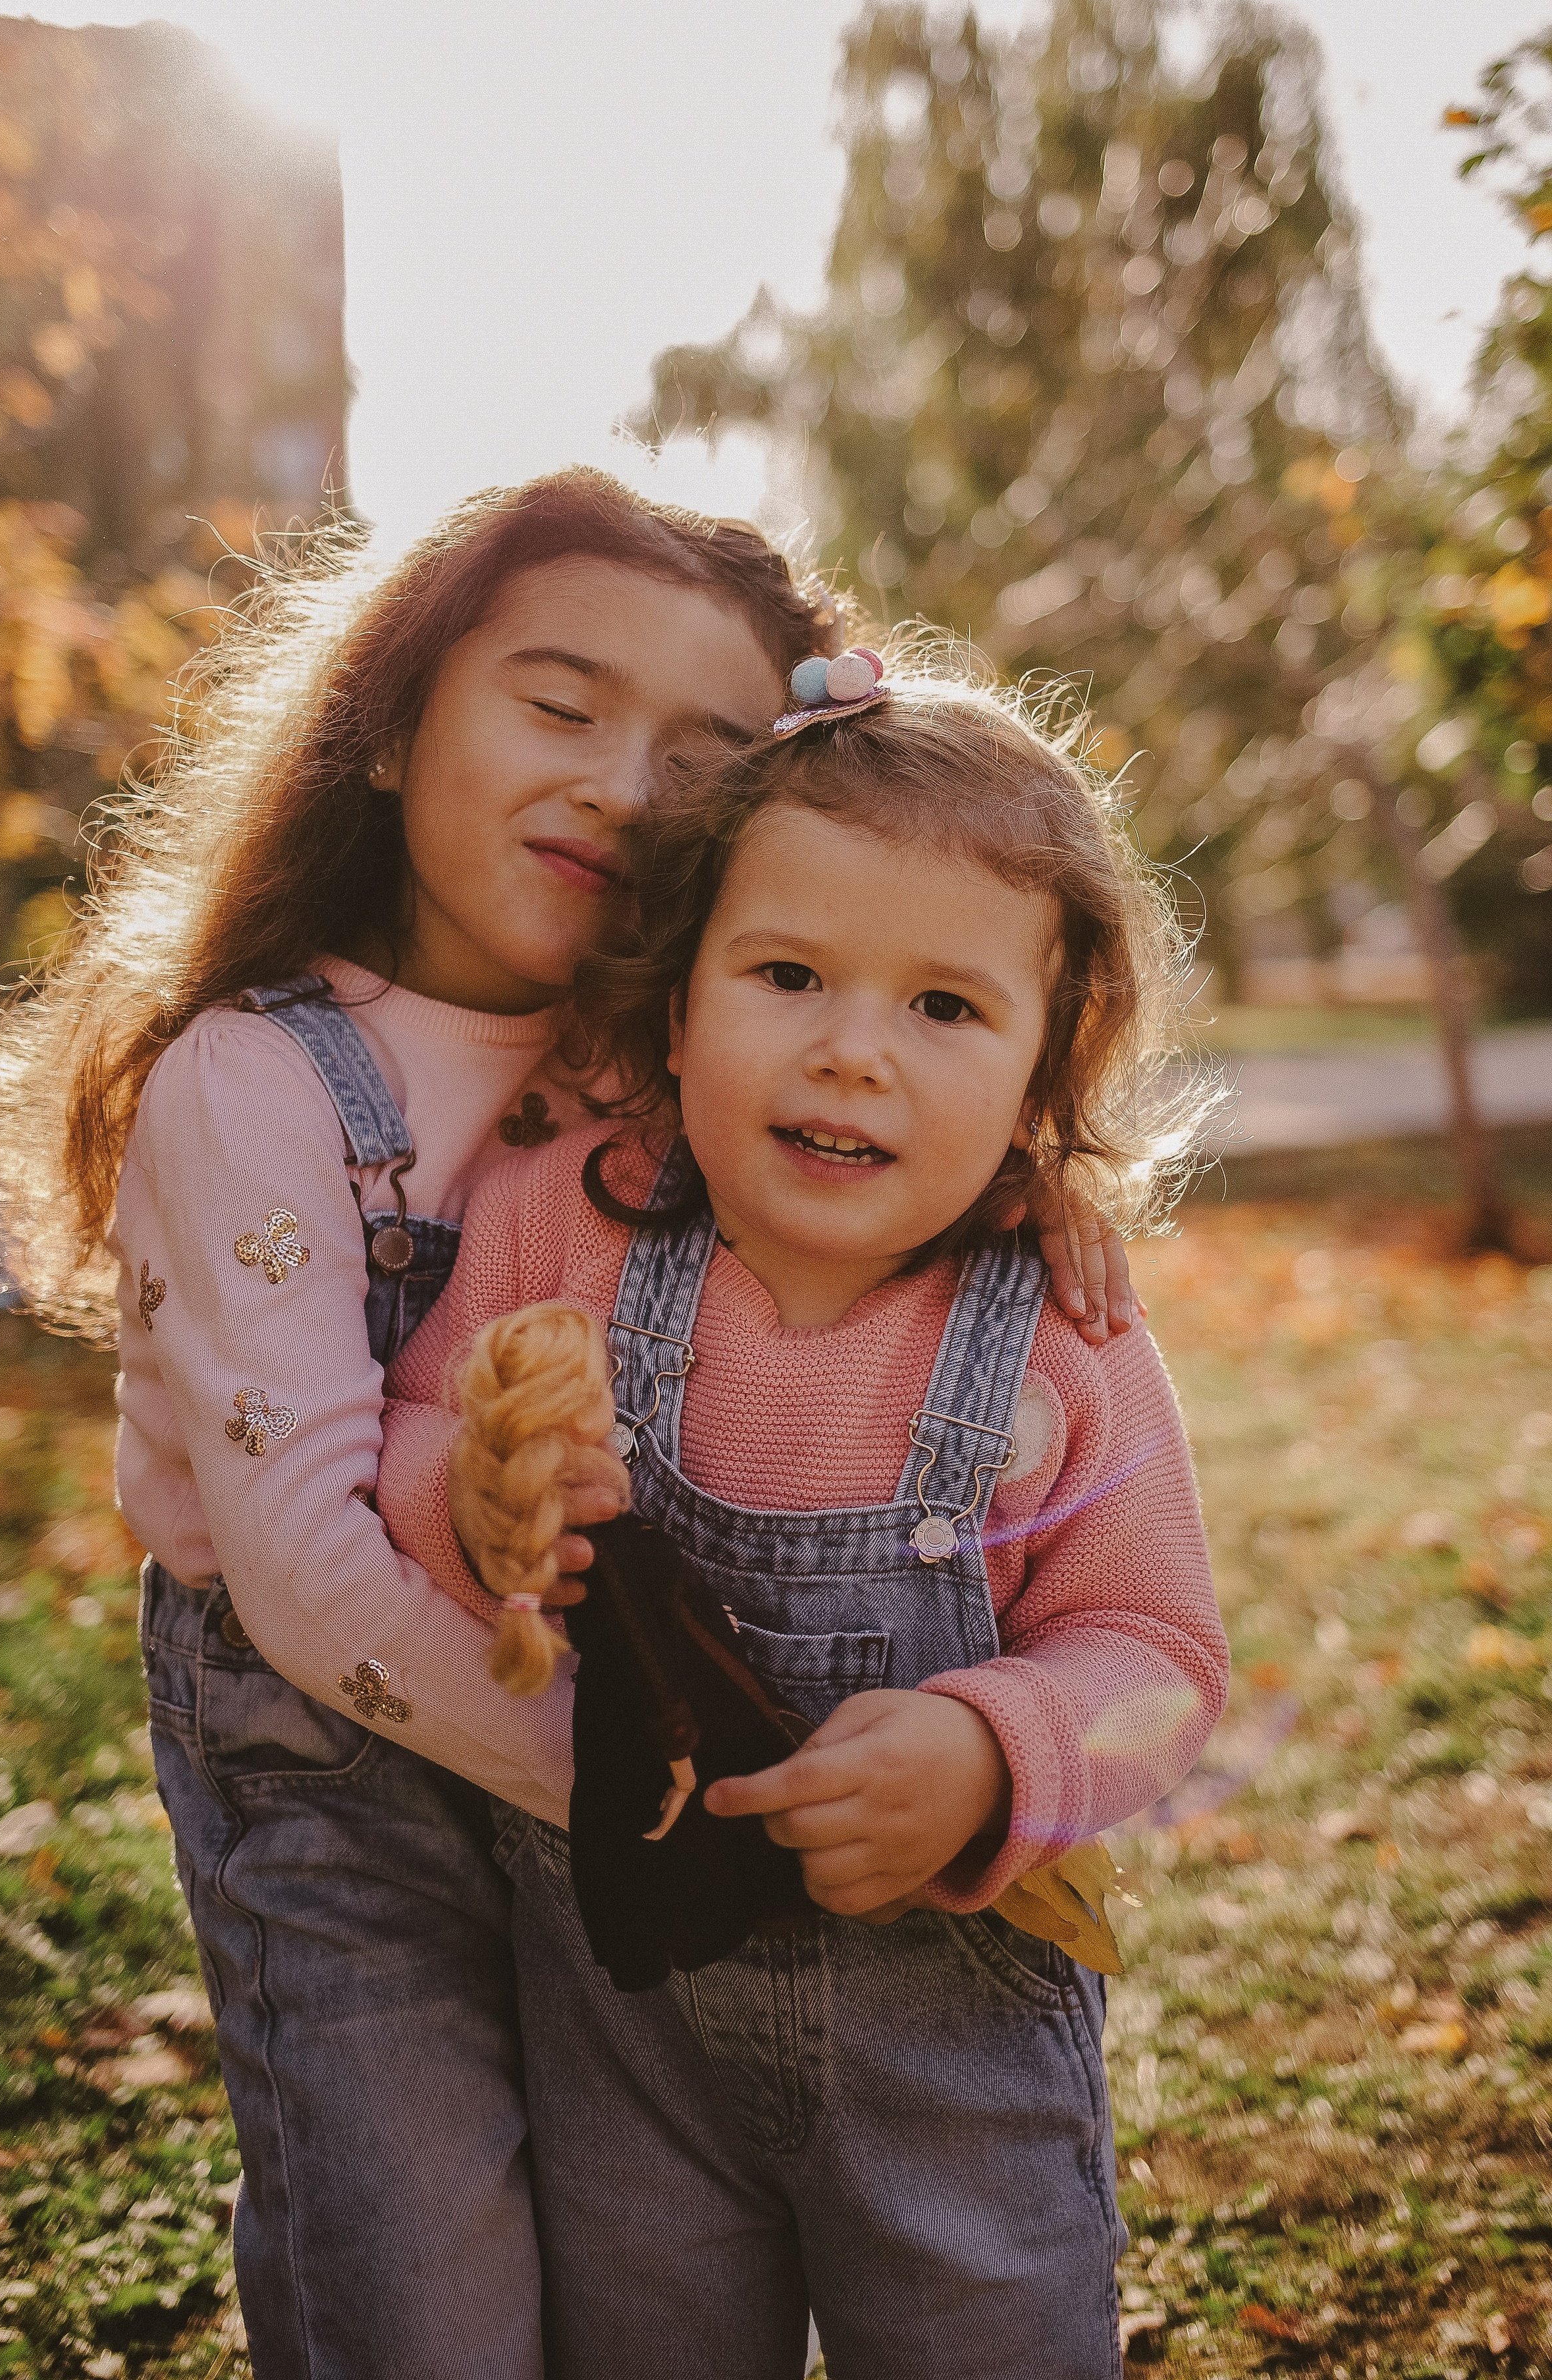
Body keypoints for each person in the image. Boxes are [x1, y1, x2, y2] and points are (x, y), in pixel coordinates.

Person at [0, 472, 1134, 2380]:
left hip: (617, 1740)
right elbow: (318, 1572)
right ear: (397, 719)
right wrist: (693, 1798)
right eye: (559, 705)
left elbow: (877, 1107)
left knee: (629, 2289)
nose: (614, 783)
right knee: (427, 2288)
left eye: (701, 752)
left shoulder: (670, 1051)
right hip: (348, 1765)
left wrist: (1007, 1179)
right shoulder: (254, 1083)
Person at [377, 676, 1229, 2380]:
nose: (855, 1048)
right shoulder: (568, 1223)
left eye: (944, 1006)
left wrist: (997, 1753)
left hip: (948, 2058)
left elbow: (1158, 1661)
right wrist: (479, 1502)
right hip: (627, 2037)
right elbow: (417, 1433)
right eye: (787, 977)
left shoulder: (1057, 1338)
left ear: (1038, 1071)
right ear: (678, 1008)